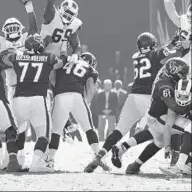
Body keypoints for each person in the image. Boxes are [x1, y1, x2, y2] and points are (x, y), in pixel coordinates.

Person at [84, 32, 179, 173]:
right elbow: (167, 52)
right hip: (147, 96)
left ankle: (98, 156)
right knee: (160, 129)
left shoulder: (136, 56)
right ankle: (124, 148)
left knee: (119, 129)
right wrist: (175, 41)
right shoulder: (155, 54)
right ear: (152, 44)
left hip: (132, 95)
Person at [0, 0, 38, 167]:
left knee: (25, 124)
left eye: (16, 27)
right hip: (13, 87)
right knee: (15, 124)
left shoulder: (26, 38)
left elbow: (33, 28)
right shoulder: (1, 42)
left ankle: (17, 155)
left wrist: (29, 7)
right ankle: (13, 156)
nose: (13, 31)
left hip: (29, 85)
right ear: (5, 31)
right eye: (10, 28)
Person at [110, 58, 191, 176]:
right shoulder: (165, 85)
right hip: (160, 117)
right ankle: (183, 165)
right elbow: (176, 108)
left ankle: (133, 163)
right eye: (181, 74)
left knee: (158, 141)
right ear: (173, 72)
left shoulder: (166, 79)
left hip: (156, 115)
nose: (184, 77)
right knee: (189, 128)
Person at [1, 34, 64, 172]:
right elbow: (60, 63)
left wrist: (24, 53)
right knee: (44, 134)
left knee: (15, 132)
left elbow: (5, 59)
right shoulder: (48, 57)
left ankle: (8, 160)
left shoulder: (17, 56)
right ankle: (36, 162)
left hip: (18, 99)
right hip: (38, 100)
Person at [48, 52, 104, 171]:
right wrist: (86, 102)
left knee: (56, 131)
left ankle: (50, 160)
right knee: (89, 128)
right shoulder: (89, 68)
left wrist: (59, 88)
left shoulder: (65, 63)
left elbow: (52, 76)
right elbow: (90, 87)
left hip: (60, 95)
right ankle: (98, 156)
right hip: (77, 96)